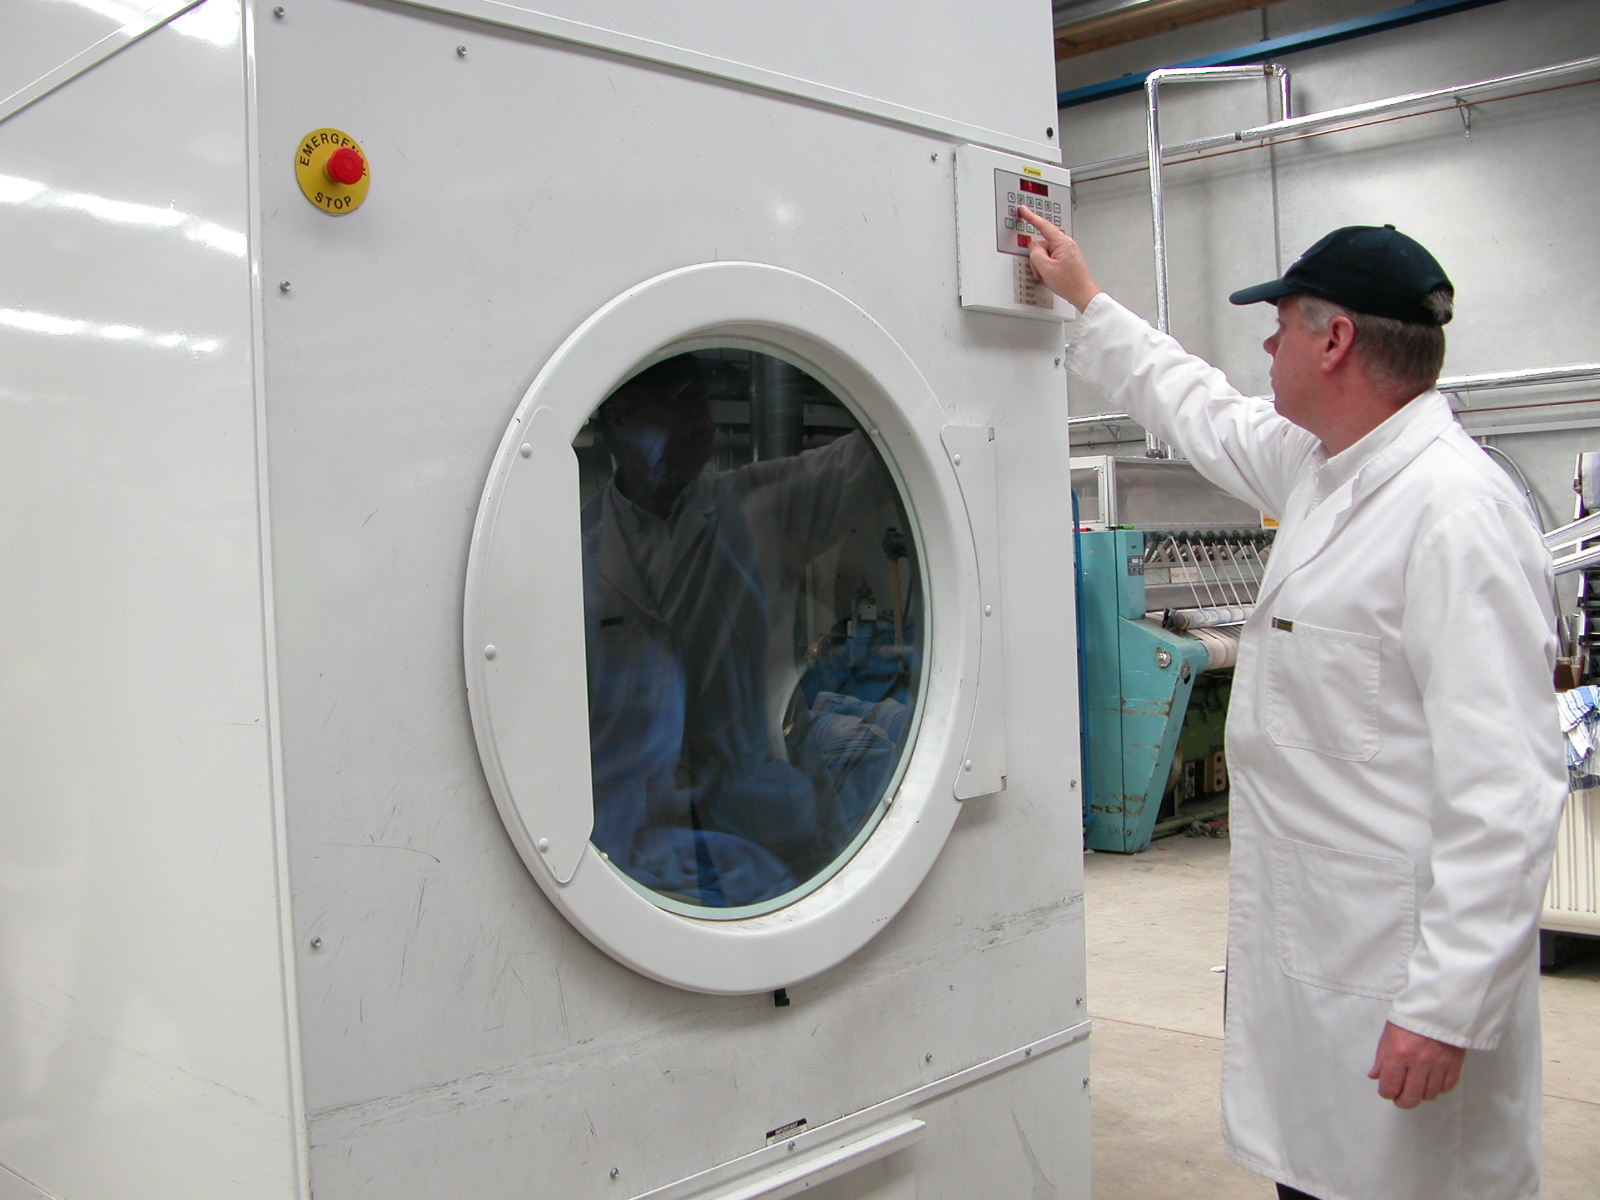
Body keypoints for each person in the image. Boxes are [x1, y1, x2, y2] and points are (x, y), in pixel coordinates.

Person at [1020, 207, 1567, 1200]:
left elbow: (1506, 792)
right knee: (1314, 1181)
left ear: (1336, 338)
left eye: (1279, 325)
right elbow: (1200, 410)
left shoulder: (1452, 513)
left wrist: (1446, 1007)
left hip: (1400, 990)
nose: (1264, 346)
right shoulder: (1324, 471)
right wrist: (1086, 303)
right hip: (1322, 974)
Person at [582, 354, 911, 909]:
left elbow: (873, 459)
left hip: (759, 809)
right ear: (621, 416)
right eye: (682, 403)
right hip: (627, 828)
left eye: (703, 403)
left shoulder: (761, 503)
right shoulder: (576, 545)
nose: (704, 421)